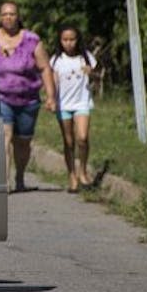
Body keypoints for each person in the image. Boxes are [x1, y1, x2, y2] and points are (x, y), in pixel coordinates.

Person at [0, 2, 56, 193]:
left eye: (12, 14)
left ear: (18, 16)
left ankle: (19, 176)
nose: (8, 18)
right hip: (0, 97)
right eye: (5, 14)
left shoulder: (31, 40)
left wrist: (51, 96)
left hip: (28, 99)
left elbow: (45, 68)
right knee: (4, 136)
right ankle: (4, 182)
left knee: (23, 142)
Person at [51, 26, 97, 193]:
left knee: (82, 138)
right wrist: (51, 100)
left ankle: (83, 170)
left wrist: (91, 73)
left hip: (82, 103)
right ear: (60, 41)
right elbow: (53, 82)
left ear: (78, 40)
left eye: (72, 39)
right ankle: (72, 174)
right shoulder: (56, 60)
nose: (68, 43)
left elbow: (97, 77)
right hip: (63, 105)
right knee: (68, 141)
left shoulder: (86, 58)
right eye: (65, 40)